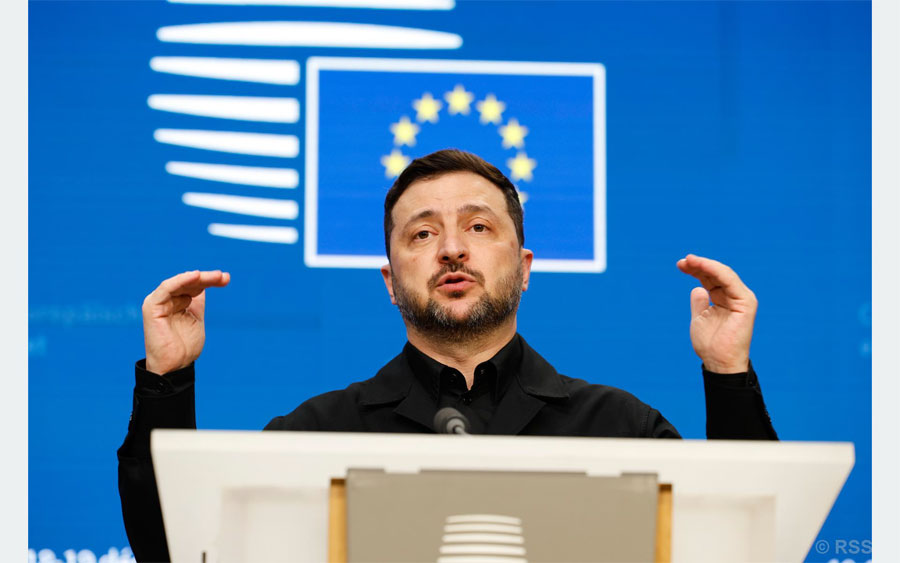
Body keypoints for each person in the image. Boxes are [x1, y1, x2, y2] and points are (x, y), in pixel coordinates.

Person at [118, 149, 776, 562]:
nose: (452, 249)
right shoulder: (315, 435)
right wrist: (167, 381)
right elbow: (173, 551)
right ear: (389, 280)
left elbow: (749, 550)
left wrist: (728, 374)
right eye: (423, 233)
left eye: (478, 227)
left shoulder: (619, 428)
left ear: (524, 268)